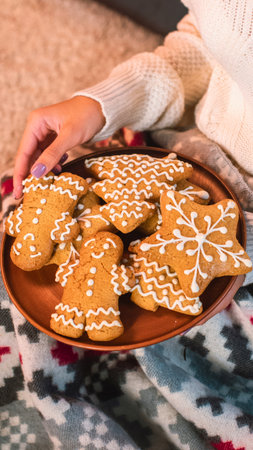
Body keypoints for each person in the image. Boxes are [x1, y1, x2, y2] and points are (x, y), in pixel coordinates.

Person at [13, 0, 253, 272]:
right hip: (192, 140)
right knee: (16, 199)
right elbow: (210, 39)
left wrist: (230, 258)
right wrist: (101, 106)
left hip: (238, 230)